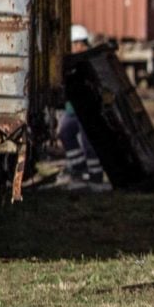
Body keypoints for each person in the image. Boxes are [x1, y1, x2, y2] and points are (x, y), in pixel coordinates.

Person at [56, 24, 104, 189]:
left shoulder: (88, 61)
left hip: (86, 109)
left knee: (88, 141)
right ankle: (79, 169)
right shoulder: (68, 61)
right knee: (65, 132)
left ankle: (96, 175)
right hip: (72, 109)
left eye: (78, 44)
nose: (77, 47)